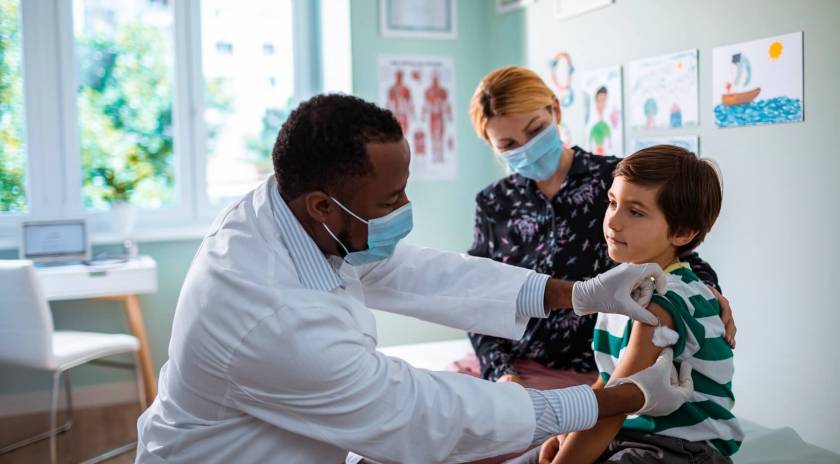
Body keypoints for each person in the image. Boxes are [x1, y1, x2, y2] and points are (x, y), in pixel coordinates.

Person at [135, 94, 693, 464]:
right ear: (325, 206)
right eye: (391, 198)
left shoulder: (286, 209)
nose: (406, 205)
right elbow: (417, 412)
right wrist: (608, 400)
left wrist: (575, 294)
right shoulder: (268, 316)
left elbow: (417, 272)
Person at [466, 66, 735, 388]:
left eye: (536, 130)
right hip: (520, 369)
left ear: (555, 109)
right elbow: (477, 297)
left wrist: (708, 292)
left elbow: (677, 255)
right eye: (509, 145)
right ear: (491, 145)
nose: (526, 147)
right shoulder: (494, 203)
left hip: (606, 366)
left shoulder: (616, 182)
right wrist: (502, 373)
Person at [528, 146, 743, 464]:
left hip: (680, 449)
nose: (613, 221)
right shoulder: (618, 290)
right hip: (628, 437)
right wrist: (568, 430)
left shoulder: (660, 306)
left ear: (682, 232)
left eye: (636, 211)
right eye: (612, 203)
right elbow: (608, 380)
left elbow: (615, 407)